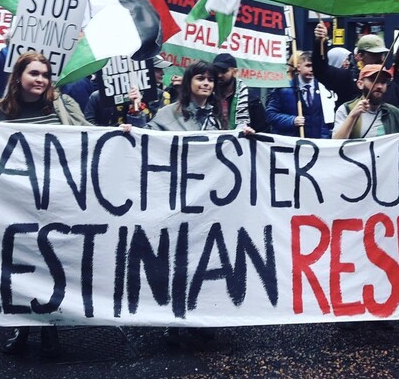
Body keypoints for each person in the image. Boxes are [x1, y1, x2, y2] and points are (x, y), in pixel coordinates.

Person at [122, 60, 253, 345]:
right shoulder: (169, 114)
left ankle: (199, 315)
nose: (206, 84)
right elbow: (149, 138)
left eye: (210, 80)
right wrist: (134, 122)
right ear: (189, 82)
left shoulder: (218, 116)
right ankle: (173, 318)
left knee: (203, 258)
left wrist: (242, 138)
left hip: (206, 201)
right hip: (175, 197)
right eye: (200, 79)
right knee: (176, 257)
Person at [0, 52, 89, 357]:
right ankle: (23, 327)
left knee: (49, 264)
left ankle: (49, 328)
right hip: (18, 203)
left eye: (45, 74)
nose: (40, 79)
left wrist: (126, 130)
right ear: (19, 77)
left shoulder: (63, 105)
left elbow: (90, 137)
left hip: (56, 200)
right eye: (34, 73)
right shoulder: (1, 111)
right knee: (21, 266)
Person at [312, 21, 390, 108]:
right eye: (374, 54)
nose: (380, 59)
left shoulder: (389, 82)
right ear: (360, 56)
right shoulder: (347, 78)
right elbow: (321, 71)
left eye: (382, 54)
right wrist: (320, 42)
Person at [85, 56, 172, 126]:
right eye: (157, 69)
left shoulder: (162, 97)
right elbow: (88, 124)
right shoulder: (98, 96)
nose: (162, 73)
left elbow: (163, 125)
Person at [266, 52, 333, 139]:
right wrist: (292, 120)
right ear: (298, 67)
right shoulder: (284, 89)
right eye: (308, 66)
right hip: (293, 143)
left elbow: (328, 120)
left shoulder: (325, 89)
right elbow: (270, 115)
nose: (312, 69)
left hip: (317, 145)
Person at [332, 65, 399, 139]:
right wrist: (352, 116)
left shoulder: (396, 114)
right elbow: (336, 143)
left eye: (383, 82)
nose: (379, 86)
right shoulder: (346, 109)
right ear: (360, 84)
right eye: (373, 80)